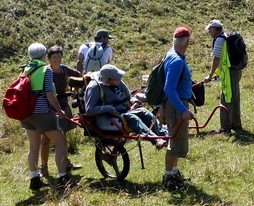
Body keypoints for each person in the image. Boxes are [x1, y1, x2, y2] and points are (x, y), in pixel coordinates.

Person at [20, 43, 74, 190]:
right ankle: (63, 177)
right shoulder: (45, 70)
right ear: (44, 55)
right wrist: (60, 111)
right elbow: (50, 94)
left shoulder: (26, 69)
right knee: (61, 142)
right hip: (42, 112)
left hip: (26, 114)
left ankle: (34, 179)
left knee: (34, 147)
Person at [84, 65, 168, 148]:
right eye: (117, 78)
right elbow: (89, 110)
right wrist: (108, 108)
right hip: (112, 116)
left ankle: (165, 135)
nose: (120, 80)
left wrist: (134, 101)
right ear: (108, 79)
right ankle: (155, 139)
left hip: (126, 111)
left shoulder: (119, 82)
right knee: (132, 117)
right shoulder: (94, 87)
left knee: (145, 113)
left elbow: (129, 97)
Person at [39, 45, 82, 178]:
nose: (57, 59)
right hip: (50, 108)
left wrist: (74, 88)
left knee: (63, 137)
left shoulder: (64, 70)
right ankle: (43, 167)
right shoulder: (45, 71)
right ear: (49, 58)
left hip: (63, 105)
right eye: (54, 57)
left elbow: (79, 75)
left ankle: (66, 162)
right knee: (46, 139)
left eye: (59, 56)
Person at [161, 27, 195, 191]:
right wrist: (182, 110)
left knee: (178, 140)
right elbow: (169, 88)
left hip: (177, 103)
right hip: (176, 106)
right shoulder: (176, 61)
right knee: (175, 141)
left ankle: (174, 172)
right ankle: (168, 177)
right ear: (187, 42)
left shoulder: (172, 54)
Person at [203, 19, 243, 134]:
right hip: (235, 71)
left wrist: (210, 75)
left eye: (210, 29)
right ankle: (236, 124)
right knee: (234, 96)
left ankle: (225, 127)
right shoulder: (226, 37)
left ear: (215, 29)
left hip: (228, 73)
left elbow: (216, 59)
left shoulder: (219, 40)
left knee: (226, 97)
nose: (209, 32)